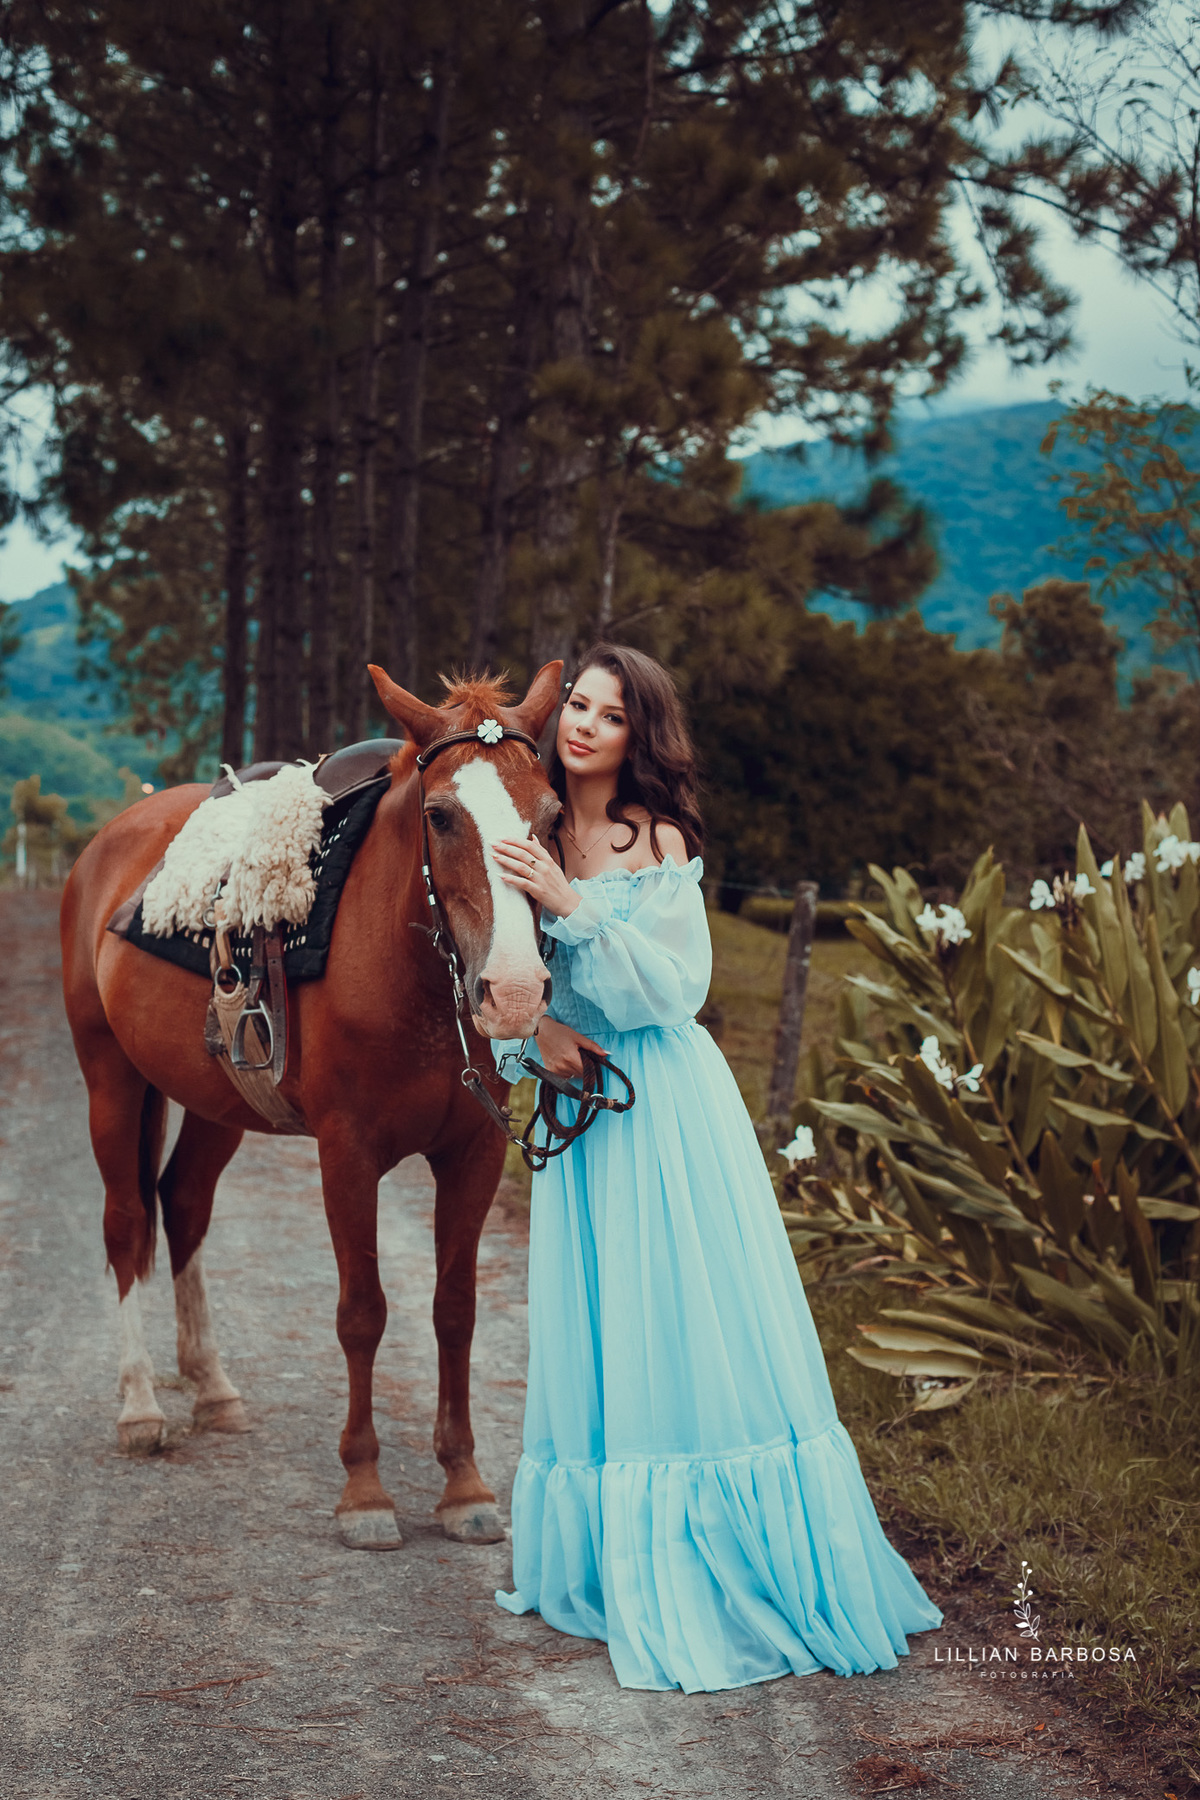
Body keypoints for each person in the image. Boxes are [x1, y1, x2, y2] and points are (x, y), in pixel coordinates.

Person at [488, 643, 941, 1694]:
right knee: (602, 1332)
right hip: (582, 1109)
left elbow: (672, 990)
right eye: (579, 707)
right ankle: (609, 1563)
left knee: (680, 1317)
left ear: (642, 734)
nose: (585, 725)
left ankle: (712, 1561)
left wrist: (569, 902)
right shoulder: (530, 826)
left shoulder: (658, 837)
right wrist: (535, 1034)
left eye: (610, 713)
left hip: (663, 1108)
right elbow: (496, 978)